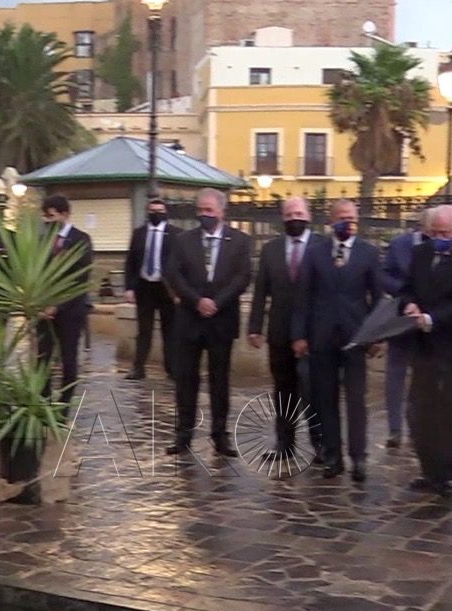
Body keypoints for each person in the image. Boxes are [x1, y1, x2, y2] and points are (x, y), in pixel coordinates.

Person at [291, 199, 384, 482]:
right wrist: (299, 335)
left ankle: (359, 458)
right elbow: (303, 296)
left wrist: (377, 336)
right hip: (322, 338)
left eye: (352, 217)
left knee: (356, 401)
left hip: (356, 338)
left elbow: (378, 297)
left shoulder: (368, 253)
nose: (348, 222)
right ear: (331, 221)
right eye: (342, 217)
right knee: (325, 399)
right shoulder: (315, 253)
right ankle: (333, 455)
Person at [165, 188, 253, 457]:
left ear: (222, 212)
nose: (204, 215)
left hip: (221, 320)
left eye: (209, 210)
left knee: (220, 381)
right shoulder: (183, 240)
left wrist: (217, 302)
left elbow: (243, 277)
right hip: (190, 320)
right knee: (186, 380)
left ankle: (220, 435)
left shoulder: (239, 241)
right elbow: (174, 274)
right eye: (201, 210)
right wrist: (197, 301)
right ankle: (183, 436)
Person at [399, 205, 452, 496]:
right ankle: (428, 469)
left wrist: (432, 319)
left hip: (451, 346)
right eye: (434, 233)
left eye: (445, 233)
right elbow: (407, 288)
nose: (439, 238)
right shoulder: (421, 254)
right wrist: (408, 304)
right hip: (422, 347)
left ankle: (446, 472)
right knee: (420, 411)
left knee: (448, 412)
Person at [249, 197, 323, 459]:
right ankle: (285, 443)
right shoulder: (270, 249)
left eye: (299, 213)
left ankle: (321, 446)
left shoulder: (322, 247)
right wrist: (255, 327)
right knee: (283, 390)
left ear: (309, 216)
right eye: (289, 214)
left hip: (313, 335)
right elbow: (260, 291)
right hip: (279, 332)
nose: (294, 218)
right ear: (283, 218)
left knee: (313, 391)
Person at [38, 194, 94, 408]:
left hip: (71, 311)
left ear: (65, 214)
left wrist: (57, 306)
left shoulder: (81, 240)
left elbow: (80, 280)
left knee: (69, 359)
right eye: (45, 216)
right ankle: (43, 402)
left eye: (52, 216)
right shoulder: (42, 241)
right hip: (44, 311)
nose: (48, 220)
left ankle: (64, 406)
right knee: (42, 359)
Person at [381, 217, 429, 449]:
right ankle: (394, 429)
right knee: (395, 373)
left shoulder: (446, 244)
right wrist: (405, 296)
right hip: (401, 317)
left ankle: (416, 425)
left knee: (423, 376)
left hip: (429, 321)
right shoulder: (400, 244)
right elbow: (385, 275)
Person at [124, 196, 181, 380]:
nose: (156, 215)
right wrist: (129, 288)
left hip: (166, 289)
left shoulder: (176, 234)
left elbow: (181, 264)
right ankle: (138, 368)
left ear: (166, 213)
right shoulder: (139, 233)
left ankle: (172, 368)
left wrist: (179, 290)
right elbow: (131, 262)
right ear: (147, 212)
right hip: (144, 287)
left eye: (160, 212)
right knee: (143, 330)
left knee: (169, 330)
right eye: (153, 211)